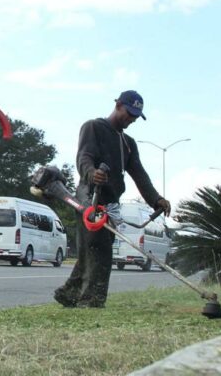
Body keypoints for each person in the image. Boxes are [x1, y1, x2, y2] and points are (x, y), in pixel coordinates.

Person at [53, 90, 171, 308]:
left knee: (94, 250)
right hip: (90, 198)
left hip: (111, 204)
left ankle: (69, 294)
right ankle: (91, 302)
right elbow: (84, 157)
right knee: (100, 251)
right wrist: (91, 173)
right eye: (129, 112)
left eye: (136, 116)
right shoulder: (94, 127)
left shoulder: (128, 143)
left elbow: (139, 174)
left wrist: (156, 199)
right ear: (118, 105)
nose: (131, 119)